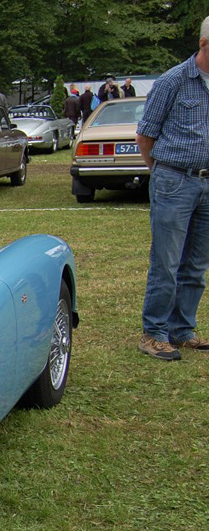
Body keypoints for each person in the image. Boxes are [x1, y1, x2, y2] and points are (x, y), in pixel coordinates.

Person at [134, 16, 209, 360]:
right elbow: (145, 135)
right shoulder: (173, 81)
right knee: (167, 261)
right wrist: (162, 172)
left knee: (196, 263)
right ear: (204, 44)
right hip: (175, 179)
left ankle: (182, 330)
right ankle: (154, 333)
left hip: (207, 183)